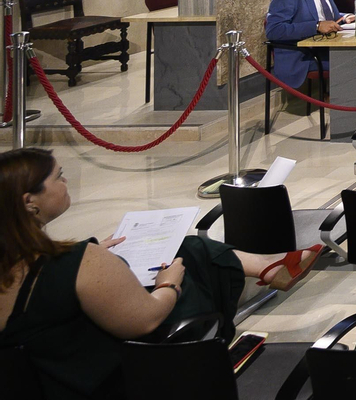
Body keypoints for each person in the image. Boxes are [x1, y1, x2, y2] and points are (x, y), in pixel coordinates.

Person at [0, 148, 323, 400]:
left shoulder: (25, 260)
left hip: (37, 382)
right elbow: (145, 320)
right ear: (30, 202)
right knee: (187, 265)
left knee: (188, 247)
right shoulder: (80, 260)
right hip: (109, 383)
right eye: (59, 177)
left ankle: (268, 266)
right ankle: (207, 361)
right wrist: (168, 285)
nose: (66, 182)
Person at [264, 0, 352, 89]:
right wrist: (316, 26)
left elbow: (327, 16)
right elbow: (274, 30)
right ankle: (343, 104)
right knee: (355, 60)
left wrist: (345, 17)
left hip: (325, 47)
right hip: (304, 55)